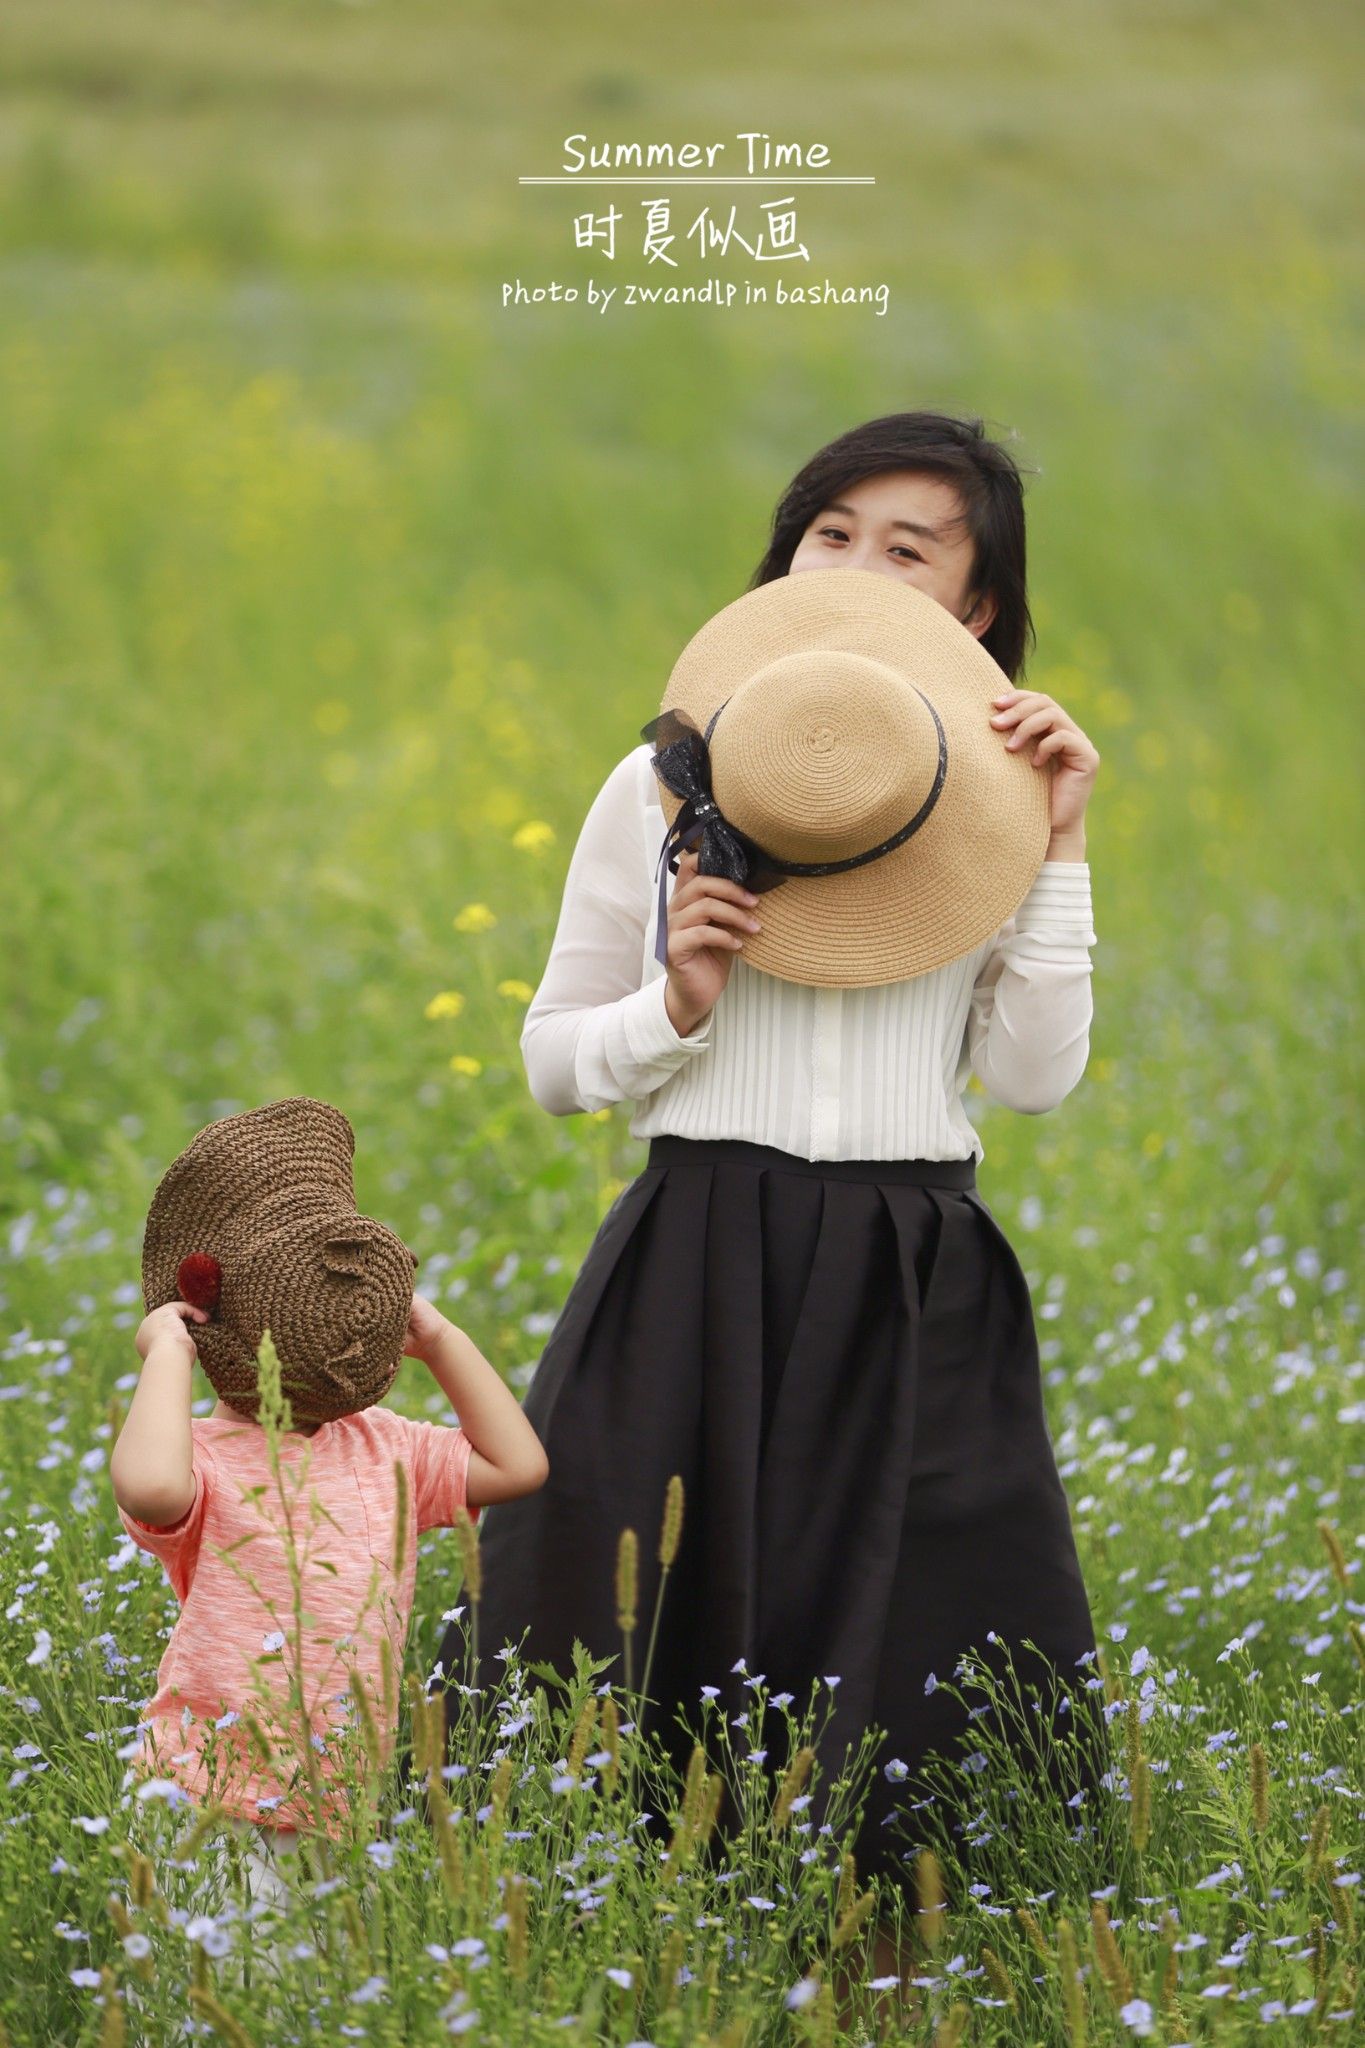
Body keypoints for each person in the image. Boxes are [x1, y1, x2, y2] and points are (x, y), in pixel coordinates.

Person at [437, 412, 1109, 1990]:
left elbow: (1031, 1078)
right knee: (624, 1628)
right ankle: (602, 1930)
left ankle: (897, 1957)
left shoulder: (1005, 802)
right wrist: (677, 999)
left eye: (909, 546)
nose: (859, 564)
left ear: (978, 611)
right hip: (696, 1247)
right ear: (787, 551)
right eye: (831, 530)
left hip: (910, 1255)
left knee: (916, 1628)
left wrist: (1063, 844)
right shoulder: (661, 778)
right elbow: (552, 1060)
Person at [110, 1096, 548, 1929]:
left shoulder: (387, 1450)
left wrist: (441, 1336)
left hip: (334, 1800)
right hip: (206, 1797)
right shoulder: (201, 1458)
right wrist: (166, 1354)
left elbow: (517, 1464)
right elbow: (150, 1491)